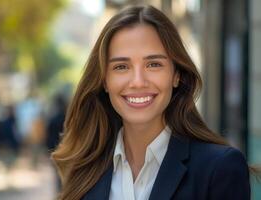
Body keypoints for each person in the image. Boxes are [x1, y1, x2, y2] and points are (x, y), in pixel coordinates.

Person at [51, 5, 250, 200]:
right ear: (105, 81)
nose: (138, 82)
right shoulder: (83, 170)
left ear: (176, 75)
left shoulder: (219, 169)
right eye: (121, 67)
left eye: (153, 64)